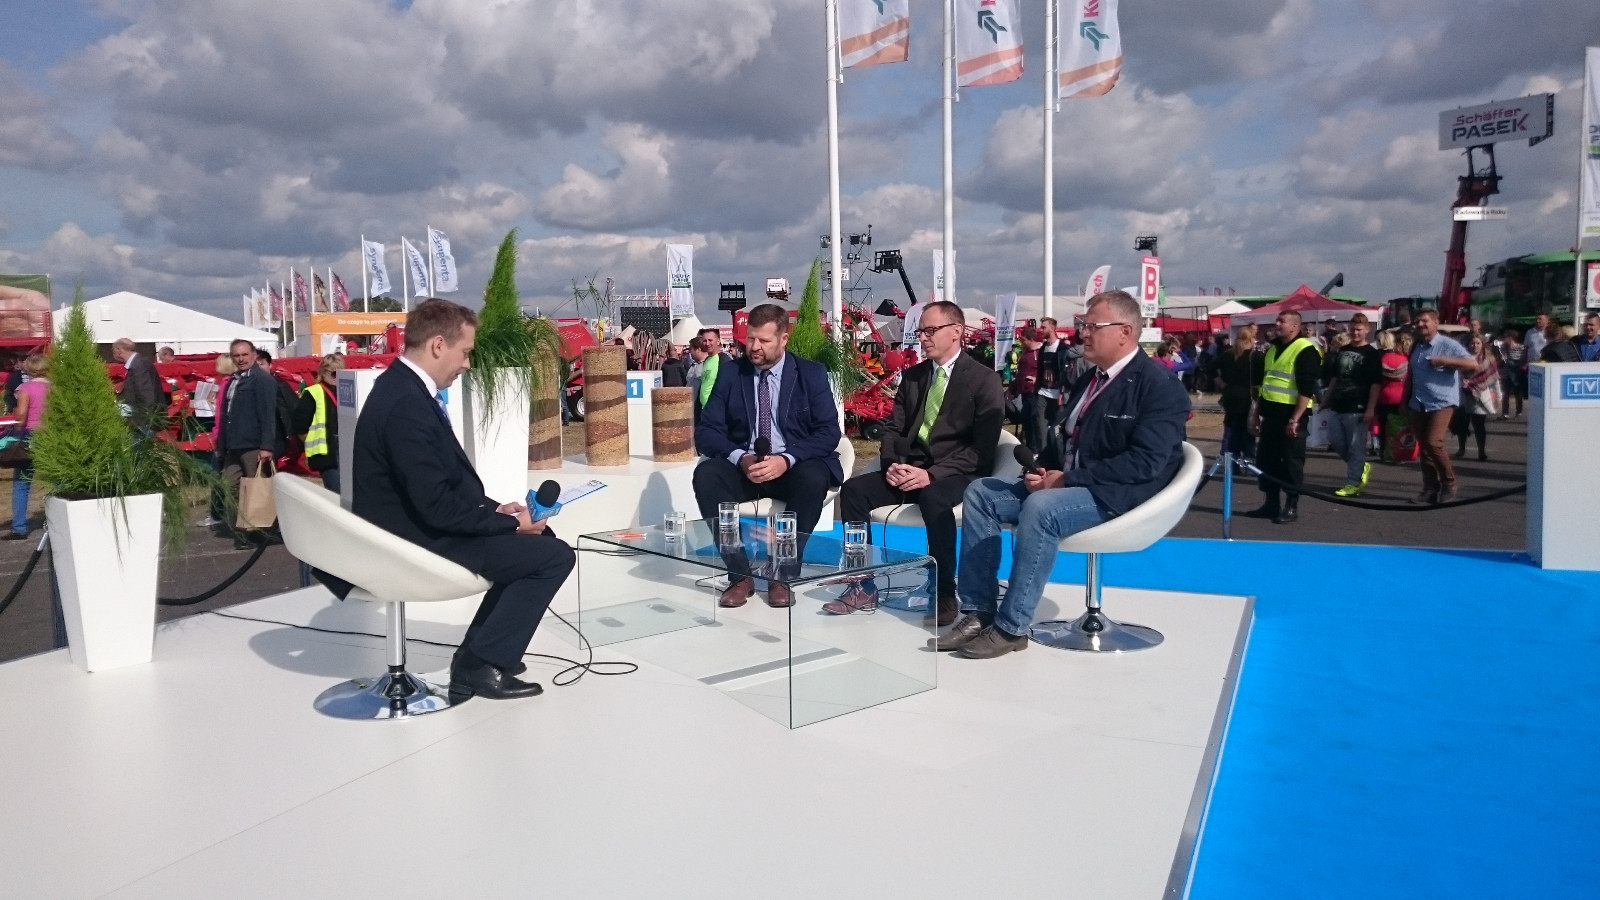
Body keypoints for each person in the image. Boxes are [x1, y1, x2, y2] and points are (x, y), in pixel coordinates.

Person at [944, 290, 1190, 659]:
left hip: (1119, 494)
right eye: (1082, 326)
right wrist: (1041, 469)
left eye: (1093, 327)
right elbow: (1065, 439)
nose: (1082, 334)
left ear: (1125, 332)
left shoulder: (1158, 386)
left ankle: (1011, 627)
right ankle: (979, 611)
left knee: (1042, 508)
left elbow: (1145, 463)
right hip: (1068, 485)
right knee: (982, 494)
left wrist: (1065, 481)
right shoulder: (1091, 379)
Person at [352, 298, 575, 702]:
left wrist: (495, 510)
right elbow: (436, 507)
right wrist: (511, 523)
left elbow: (435, 487)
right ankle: (481, 664)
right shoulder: (406, 405)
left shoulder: (403, 390)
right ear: (438, 345)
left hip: (414, 528)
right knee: (553, 557)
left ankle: (481, 654)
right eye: (466, 352)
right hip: (412, 541)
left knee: (542, 541)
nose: (468, 364)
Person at [834, 301, 1005, 625]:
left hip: (958, 472)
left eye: (930, 330)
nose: (922, 337)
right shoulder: (913, 378)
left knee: (933, 497)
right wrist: (891, 465)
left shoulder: (984, 380)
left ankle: (943, 591)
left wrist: (932, 474)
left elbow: (980, 451)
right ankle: (861, 584)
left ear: (956, 332)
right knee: (854, 491)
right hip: (909, 468)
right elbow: (893, 430)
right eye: (920, 331)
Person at [693, 303, 843, 609]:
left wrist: (786, 459)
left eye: (763, 340)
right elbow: (706, 431)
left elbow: (829, 433)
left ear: (784, 339)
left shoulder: (810, 374)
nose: (754, 347)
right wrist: (740, 457)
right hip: (745, 467)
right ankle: (739, 575)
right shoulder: (730, 373)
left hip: (791, 467)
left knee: (813, 476)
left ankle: (782, 574)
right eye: (750, 338)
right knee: (706, 476)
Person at [1246, 310, 1321, 524]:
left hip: (1291, 416)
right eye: (1277, 320)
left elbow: (1306, 390)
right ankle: (1271, 503)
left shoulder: (1305, 350)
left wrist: (1295, 419)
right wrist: (1255, 414)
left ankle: (1291, 506)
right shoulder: (1272, 350)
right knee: (1266, 460)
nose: (1277, 324)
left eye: (1282, 321)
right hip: (1271, 416)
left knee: (1291, 462)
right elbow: (1265, 386)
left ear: (1295, 326)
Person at [1406, 309, 1476, 504]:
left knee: (1433, 442)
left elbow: (1472, 364)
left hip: (1441, 402)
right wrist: (1404, 401)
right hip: (1418, 402)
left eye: (1425, 321)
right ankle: (1430, 488)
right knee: (1424, 447)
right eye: (1417, 321)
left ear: (1436, 323)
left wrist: (1445, 360)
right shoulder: (1416, 346)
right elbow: (1411, 375)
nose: (1420, 324)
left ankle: (1449, 482)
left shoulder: (1447, 344)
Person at [217, 340, 281, 548]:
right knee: (230, 485)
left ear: (253, 355)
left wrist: (266, 446)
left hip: (253, 444)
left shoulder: (261, 380)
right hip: (233, 445)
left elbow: (267, 415)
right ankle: (245, 528)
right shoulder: (234, 380)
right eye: (236, 355)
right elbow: (226, 415)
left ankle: (257, 532)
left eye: (245, 355)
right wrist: (221, 444)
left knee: (256, 490)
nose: (241, 359)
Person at [1321, 312, 1382, 497]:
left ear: (1367, 330)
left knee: (1356, 446)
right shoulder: (1343, 350)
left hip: (1358, 406)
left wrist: (1370, 408)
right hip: (1338, 404)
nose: (1355, 333)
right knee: (1335, 440)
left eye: (1359, 330)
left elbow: (1376, 383)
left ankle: (1353, 483)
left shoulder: (1372, 354)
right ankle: (1361, 466)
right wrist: (1325, 400)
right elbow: (1335, 377)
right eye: (1353, 329)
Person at [5, 354, 49, 539]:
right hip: (51, 435)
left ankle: (19, 527)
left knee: (22, 482)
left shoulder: (26, 388)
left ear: (29, 369)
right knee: (56, 479)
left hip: (31, 435)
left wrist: (16, 431)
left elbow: (22, 415)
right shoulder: (55, 388)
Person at [294, 354, 345, 493]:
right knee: (336, 493)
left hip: (346, 447)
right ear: (323, 372)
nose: (337, 377)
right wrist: (309, 442)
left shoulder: (346, 390)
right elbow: (299, 425)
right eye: (334, 373)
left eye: (342, 373)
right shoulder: (313, 393)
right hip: (327, 450)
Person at [1452, 334, 1499, 462]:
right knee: (1462, 423)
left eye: (1478, 343)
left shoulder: (1488, 359)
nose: (1475, 346)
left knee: (1479, 425)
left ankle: (1481, 452)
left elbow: (1494, 377)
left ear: (1482, 345)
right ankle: (1461, 449)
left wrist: (1498, 395)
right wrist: (1462, 383)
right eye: (1472, 343)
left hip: (1480, 395)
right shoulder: (1462, 358)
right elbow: (1455, 374)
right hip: (1463, 394)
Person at [1217, 325, 1259, 459]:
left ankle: (1231, 462)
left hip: (1231, 395)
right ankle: (1248, 461)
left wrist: (1221, 383)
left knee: (1232, 430)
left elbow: (1209, 368)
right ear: (1251, 339)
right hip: (1247, 396)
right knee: (1248, 431)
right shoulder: (1255, 356)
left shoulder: (1228, 354)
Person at [112, 337, 164, 429]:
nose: (113, 354)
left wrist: (142, 423)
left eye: (113, 351)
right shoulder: (139, 363)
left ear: (119, 349)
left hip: (142, 422)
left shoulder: (138, 365)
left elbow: (146, 395)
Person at [1375, 331, 1409, 459]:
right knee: (1400, 426)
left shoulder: (1379, 360)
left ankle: (1384, 452)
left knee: (1384, 427)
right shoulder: (1404, 359)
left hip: (1383, 396)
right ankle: (1399, 451)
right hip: (1401, 396)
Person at [1012, 329, 1043, 453]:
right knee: (1027, 420)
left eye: (1023, 340)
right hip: (1024, 392)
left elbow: (1047, 370)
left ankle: (1035, 449)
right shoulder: (1025, 353)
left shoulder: (1040, 353)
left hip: (1033, 393)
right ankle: (1031, 447)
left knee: (1033, 421)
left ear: (1031, 339)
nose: (1021, 342)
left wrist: (1037, 379)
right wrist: (1012, 390)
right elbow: (1020, 373)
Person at [1496, 328, 1525, 419]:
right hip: (1506, 373)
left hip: (1516, 373)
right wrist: (1501, 359)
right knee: (1505, 393)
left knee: (1518, 393)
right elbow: (1500, 360)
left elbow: (1523, 360)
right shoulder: (1503, 348)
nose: (1504, 339)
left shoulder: (1521, 347)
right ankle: (1505, 413)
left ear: (1511, 338)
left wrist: (1520, 366)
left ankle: (1519, 412)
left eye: (1505, 337)